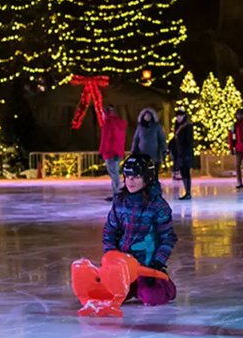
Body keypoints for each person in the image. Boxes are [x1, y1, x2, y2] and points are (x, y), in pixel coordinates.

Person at [70, 154, 178, 316]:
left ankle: (165, 285)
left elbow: (167, 238)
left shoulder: (158, 206)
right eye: (127, 176)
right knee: (108, 293)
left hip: (146, 265)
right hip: (122, 266)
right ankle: (126, 285)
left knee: (152, 297)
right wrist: (111, 253)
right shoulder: (120, 202)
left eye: (136, 177)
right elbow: (110, 230)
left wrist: (157, 263)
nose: (130, 181)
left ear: (147, 178)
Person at [98, 105, 128, 202]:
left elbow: (110, 140)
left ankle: (117, 192)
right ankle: (117, 192)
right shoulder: (116, 123)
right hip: (114, 153)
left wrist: (103, 152)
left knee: (114, 173)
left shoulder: (110, 124)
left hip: (111, 153)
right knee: (114, 173)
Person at [168, 109, 195, 200]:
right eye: (177, 116)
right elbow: (176, 138)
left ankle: (188, 192)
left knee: (186, 172)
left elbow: (189, 141)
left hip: (186, 153)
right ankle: (187, 191)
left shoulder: (187, 126)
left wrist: (185, 150)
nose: (178, 118)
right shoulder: (177, 125)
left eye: (180, 116)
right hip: (179, 153)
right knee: (183, 172)